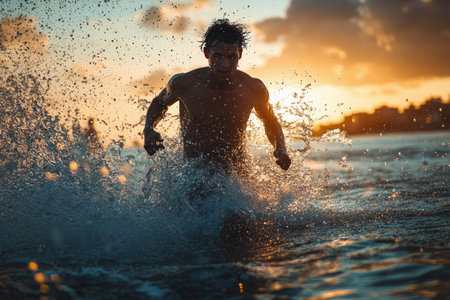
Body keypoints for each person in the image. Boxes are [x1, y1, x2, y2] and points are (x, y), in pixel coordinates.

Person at [143, 19, 291, 172]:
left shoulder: (253, 88)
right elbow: (160, 103)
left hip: (237, 179)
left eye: (231, 57)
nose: (225, 64)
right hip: (194, 177)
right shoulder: (184, 84)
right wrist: (148, 129)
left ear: (240, 54)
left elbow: (269, 120)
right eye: (218, 56)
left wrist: (280, 148)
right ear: (207, 53)